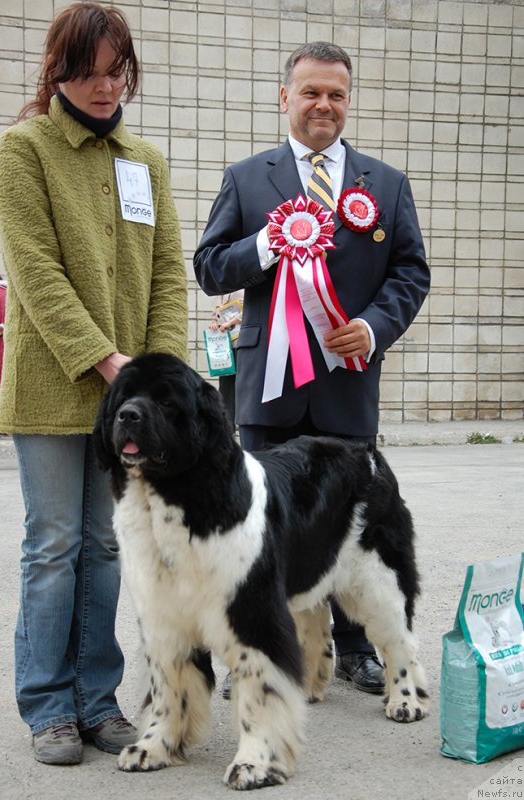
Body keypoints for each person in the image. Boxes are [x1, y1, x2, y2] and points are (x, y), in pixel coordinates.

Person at [194, 41, 430, 698]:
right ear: (285, 98)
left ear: (348, 101)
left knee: (355, 522)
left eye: (336, 94)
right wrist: (268, 243)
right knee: (259, 530)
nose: (323, 104)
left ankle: (355, 650)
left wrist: (375, 326)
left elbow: (411, 272)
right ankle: (263, 651)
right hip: (267, 388)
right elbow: (209, 266)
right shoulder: (246, 179)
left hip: (346, 386)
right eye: (311, 92)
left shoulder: (385, 184)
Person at [0, 2, 188, 766]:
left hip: (131, 394)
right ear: (58, 71)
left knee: (107, 544)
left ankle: (97, 700)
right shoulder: (24, 149)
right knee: (54, 544)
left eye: (116, 73)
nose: (105, 88)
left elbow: (166, 271)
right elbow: (33, 271)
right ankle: (48, 706)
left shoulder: (145, 161)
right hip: (54, 384)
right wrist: (110, 362)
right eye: (89, 73)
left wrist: (160, 376)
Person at [208, 290, 244, 430]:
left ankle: (243, 423)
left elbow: (248, 311)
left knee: (243, 384)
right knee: (225, 386)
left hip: (242, 343)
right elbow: (215, 315)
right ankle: (228, 426)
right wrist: (214, 324)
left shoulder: (244, 287)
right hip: (224, 346)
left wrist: (230, 323)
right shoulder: (219, 292)